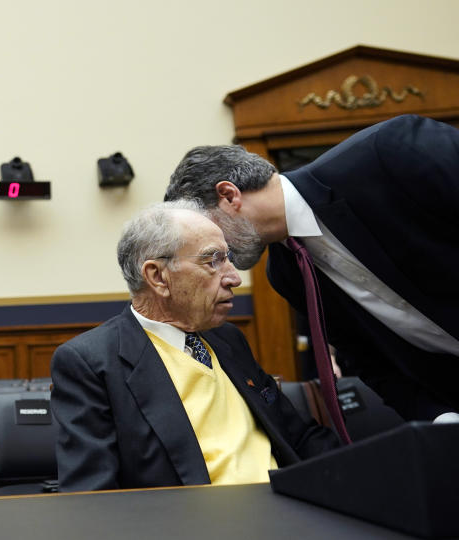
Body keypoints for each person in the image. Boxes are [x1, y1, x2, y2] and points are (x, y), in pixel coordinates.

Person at [164, 114, 459, 422]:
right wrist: (439, 417)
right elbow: (368, 360)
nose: (211, 247)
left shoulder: (390, 152)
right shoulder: (286, 275)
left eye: (205, 228)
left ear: (229, 196)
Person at [51, 202, 340, 492]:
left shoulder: (228, 338)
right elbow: (90, 497)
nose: (234, 277)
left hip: (288, 508)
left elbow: (297, 436)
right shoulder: (91, 361)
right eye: (213, 261)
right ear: (158, 277)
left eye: (228, 259)